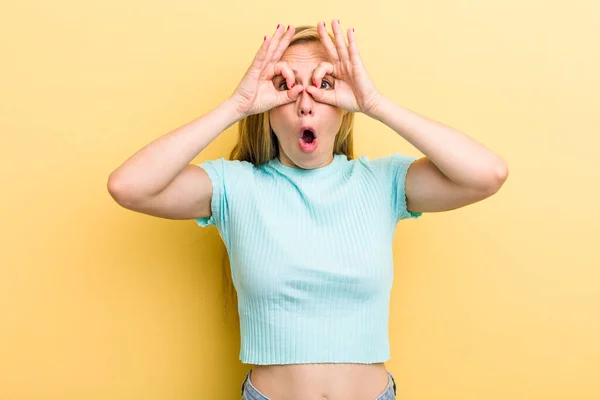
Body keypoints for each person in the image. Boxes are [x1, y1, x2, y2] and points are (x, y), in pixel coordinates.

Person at [107, 20, 508, 400]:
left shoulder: (382, 182)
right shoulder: (235, 186)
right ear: (268, 109)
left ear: (343, 105)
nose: (304, 103)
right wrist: (237, 105)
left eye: (323, 85)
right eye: (285, 86)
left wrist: (374, 103)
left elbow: (487, 174)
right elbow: (129, 187)